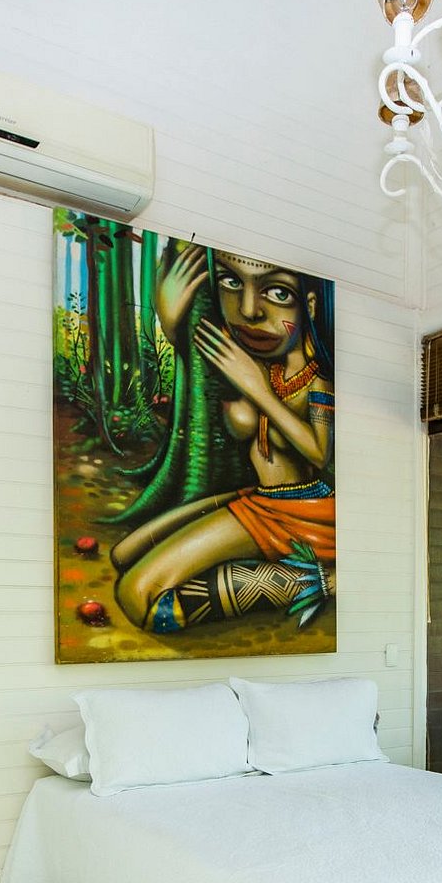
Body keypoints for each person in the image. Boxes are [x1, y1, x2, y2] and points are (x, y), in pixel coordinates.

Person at [110, 241, 336, 632]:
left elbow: (318, 453)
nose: (249, 310)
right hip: (261, 502)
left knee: (139, 595)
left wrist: (258, 390)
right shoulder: (266, 368)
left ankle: (322, 580)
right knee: (124, 552)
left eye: (278, 292)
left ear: (311, 305)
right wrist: (172, 326)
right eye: (231, 282)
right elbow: (207, 381)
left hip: (305, 514)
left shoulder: (316, 383)